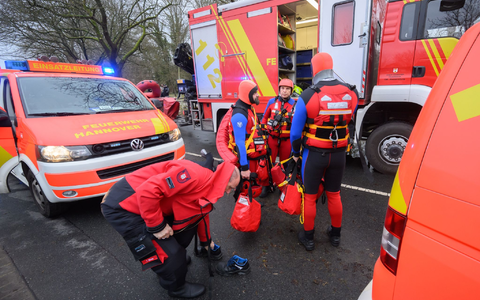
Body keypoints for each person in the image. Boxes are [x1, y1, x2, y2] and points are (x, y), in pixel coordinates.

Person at [101, 159, 241, 298]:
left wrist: (207, 242)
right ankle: (176, 287)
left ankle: (172, 266)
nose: (228, 192)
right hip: (124, 206)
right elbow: (147, 191)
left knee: (185, 234)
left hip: (150, 204)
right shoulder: (194, 175)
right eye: (229, 187)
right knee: (169, 254)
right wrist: (157, 226)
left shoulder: (210, 183)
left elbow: (201, 213)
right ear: (222, 180)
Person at [290, 52, 358, 251]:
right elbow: (349, 120)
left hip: (314, 154)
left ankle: (308, 238)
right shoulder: (352, 93)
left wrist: (295, 153)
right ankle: (335, 235)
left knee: (310, 197)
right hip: (338, 155)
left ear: (314, 69)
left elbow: (295, 133)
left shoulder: (308, 95)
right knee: (334, 194)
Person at [260, 78, 296, 197]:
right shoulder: (271, 102)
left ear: (291, 90)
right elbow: (264, 118)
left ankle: (282, 186)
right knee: (269, 163)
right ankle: (267, 186)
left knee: (284, 164)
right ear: (279, 89)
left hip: (287, 141)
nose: (284, 91)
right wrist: (264, 130)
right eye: (282, 88)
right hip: (272, 138)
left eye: (287, 89)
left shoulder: (295, 104)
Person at [228, 80, 269, 185]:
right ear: (248, 94)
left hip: (253, 157)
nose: (258, 95)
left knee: (254, 186)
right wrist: (244, 168)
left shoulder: (249, 108)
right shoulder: (239, 115)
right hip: (247, 160)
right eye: (255, 93)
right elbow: (240, 143)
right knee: (246, 188)